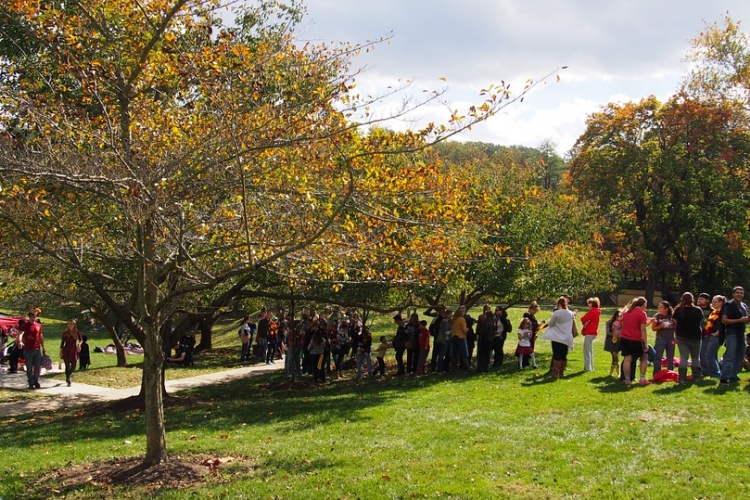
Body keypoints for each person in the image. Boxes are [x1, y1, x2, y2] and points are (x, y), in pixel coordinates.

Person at [673, 292, 704, 384]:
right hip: (695, 337)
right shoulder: (698, 310)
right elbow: (701, 321)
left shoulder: (678, 310)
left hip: (681, 336)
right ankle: (697, 377)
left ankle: (682, 378)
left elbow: (675, 322)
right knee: (695, 357)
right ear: (692, 299)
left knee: (684, 358)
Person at [720, 286, 749, 385]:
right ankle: (724, 377)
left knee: (740, 355)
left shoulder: (744, 306)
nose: (739, 294)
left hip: (741, 333)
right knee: (730, 354)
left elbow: (744, 319)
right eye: (737, 292)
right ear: (733, 294)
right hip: (732, 332)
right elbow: (724, 320)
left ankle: (733, 375)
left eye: (741, 293)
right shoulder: (728, 305)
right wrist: (739, 320)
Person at [618, 297, 650, 386]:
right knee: (644, 357)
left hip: (625, 338)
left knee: (627, 359)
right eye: (645, 305)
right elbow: (643, 329)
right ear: (643, 305)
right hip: (636, 339)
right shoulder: (642, 314)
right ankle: (642, 378)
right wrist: (645, 343)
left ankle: (627, 379)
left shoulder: (626, 312)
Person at [541, 297, 575, 379]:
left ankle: (555, 374)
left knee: (556, 354)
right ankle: (562, 373)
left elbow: (551, 324)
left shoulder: (556, 313)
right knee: (564, 355)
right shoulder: (571, 313)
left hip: (557, 336)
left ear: (559, 304)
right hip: (567, 337)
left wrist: (550, 317)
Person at [18, 311, 45, 389]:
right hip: (28, 349)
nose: (33, 318)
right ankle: (31, 382)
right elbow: (21, 333)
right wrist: (20, 341)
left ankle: (35, 380)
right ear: (29, 317)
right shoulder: (25, 325)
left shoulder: (39, 325)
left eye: (35, 317)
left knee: (37, 367)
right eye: (32, 317)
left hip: (37, 349)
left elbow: (40, 336)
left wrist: (43, 346)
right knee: (29, 367)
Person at [702, 295, 725, 379]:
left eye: (715, 302)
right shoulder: (714, 311)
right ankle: (716, 373)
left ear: (721, 302)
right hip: (710, 335)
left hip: (716, 336)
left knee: (709, 355)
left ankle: (715, 374)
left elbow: (722, 324)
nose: (713, 303)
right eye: (712, 301)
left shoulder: (722, 312)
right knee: (713, 355)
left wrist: (717, 332)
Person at [650, 301, 675, 377]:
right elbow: (653, 328)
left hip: (671, 338)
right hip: (660, 338)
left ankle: (671, 373)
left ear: (666, 309)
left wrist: (676, 338)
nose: (659, 308)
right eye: (659, 307)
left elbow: (677, 327)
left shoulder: (672, 316)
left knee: (670, 357)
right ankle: (657, 374)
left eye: (661, 307)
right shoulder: (657, 316)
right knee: (658, 357)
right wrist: (660, 326)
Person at [580, 297, 601, 372]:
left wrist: (585, 322)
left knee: (586, 350)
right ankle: (591, 366)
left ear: (593, 304)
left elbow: (583, 318)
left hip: (590, 332)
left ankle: (587, 367)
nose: (588, 304)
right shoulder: (597, 312)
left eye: (589, 303)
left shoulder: (592, 312)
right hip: (593, 332)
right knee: (590, 350)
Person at [59, 319, 82, 386]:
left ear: (74, 325)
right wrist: (61, 351)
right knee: (67, 365)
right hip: (66, 349)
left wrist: (79, 344)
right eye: (69, 324)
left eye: (72, 324)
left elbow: (81, 339)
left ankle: (69, 374)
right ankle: (68, 378)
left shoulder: (77, 332)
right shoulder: (65, 333)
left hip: (74, 349)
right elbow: (62, 343)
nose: (71, 325)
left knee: (73, 365)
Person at [450, 305, 470, 371]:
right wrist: (468, 329)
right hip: (460, 337)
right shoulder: (462, 319)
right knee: (464, 353)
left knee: (454, 354)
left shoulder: (454, 319)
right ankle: (467, 367)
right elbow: (464, 330)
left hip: (454, 337)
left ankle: (453, 368)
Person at [604, 310, 621, 376]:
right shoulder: (609, 322)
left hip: (618, 340)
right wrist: (615, 334)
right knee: (614, 354)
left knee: (615, 355)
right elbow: (608, 332)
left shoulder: (621, 323)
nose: (619, 317)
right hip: (611, 340)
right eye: (618, 316)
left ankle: (614, 371)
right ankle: (616, 371)